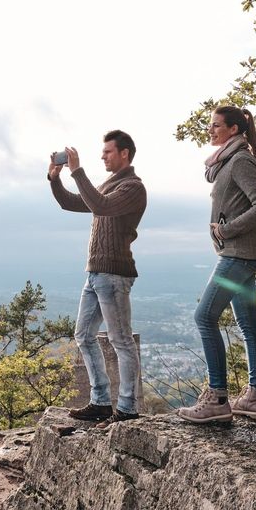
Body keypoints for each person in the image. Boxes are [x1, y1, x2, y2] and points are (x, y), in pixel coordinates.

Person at [178, 106, 256, 424]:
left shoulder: (240, 159)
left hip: (239, 253)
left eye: (216, 125)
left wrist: (226, 229)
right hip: (241, 253)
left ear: (233, 129)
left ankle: (218, 399)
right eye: (210, 125)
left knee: (204, 316)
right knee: (248, 324)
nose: (210, 130)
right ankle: (255, 399)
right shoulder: (226, 161)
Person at [48, 130, 147, 428]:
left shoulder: (133, 188)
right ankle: (101, 402)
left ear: (124, 154)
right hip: (94, 274)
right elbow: (70, 202)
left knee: (121, 341)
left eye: (107, 152)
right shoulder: (106, 186)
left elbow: (101, 206)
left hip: (114, 275)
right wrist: (55, 178)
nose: (102, 156)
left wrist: (78, 171)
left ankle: (127, 408)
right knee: (83, 335)